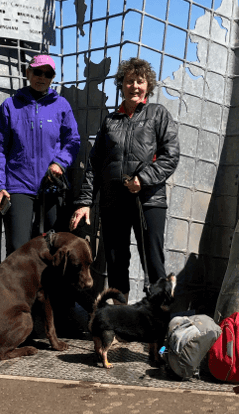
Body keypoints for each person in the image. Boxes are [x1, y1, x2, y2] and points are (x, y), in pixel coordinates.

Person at [70, 57, 180, 301]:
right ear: (121, 85)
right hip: (113, 202)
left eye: (140, 81)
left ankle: (158, 320)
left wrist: (144, 178)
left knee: (152, 259)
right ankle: (121, 318)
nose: (135, 86)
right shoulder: (111, 121)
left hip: (148, 200)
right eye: (129, 81)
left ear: (147, 86)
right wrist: (85, 200)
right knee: (117, 260)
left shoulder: (157, 114)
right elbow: (94, 164)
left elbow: (170, 156)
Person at [0, 55, 80, 254]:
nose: (42, 77)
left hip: (52, 184)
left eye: (48, 74)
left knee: (54, 248)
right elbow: (0, 148)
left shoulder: (62, 105)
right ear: (28, 72)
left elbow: (73, 141)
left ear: (52, 78)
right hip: (18, 184)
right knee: (18, 249)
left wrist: (60, 163)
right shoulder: (10, 106)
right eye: (38, 72)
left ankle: (49, 287)